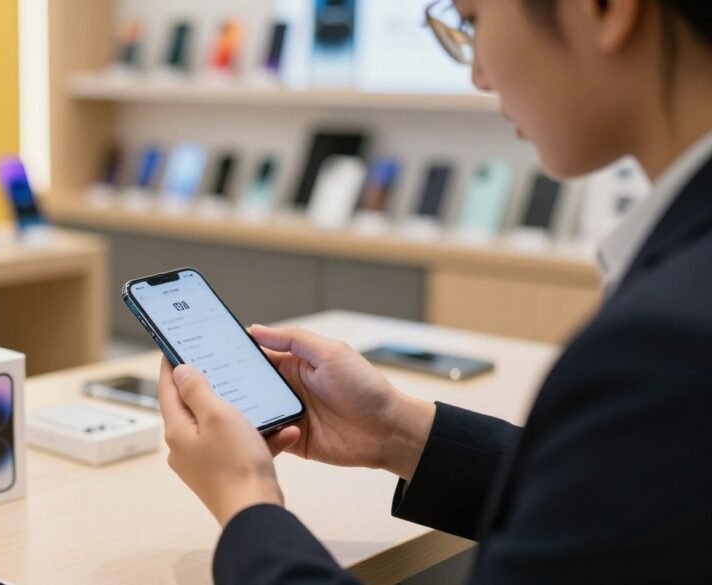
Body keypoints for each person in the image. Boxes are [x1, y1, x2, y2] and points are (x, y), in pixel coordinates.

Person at [156, 1, 712, 583]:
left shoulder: (667, 347)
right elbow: (620, 497)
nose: (478, 74)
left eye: (473, 21)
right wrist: (396, 429)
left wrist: (246, 500)